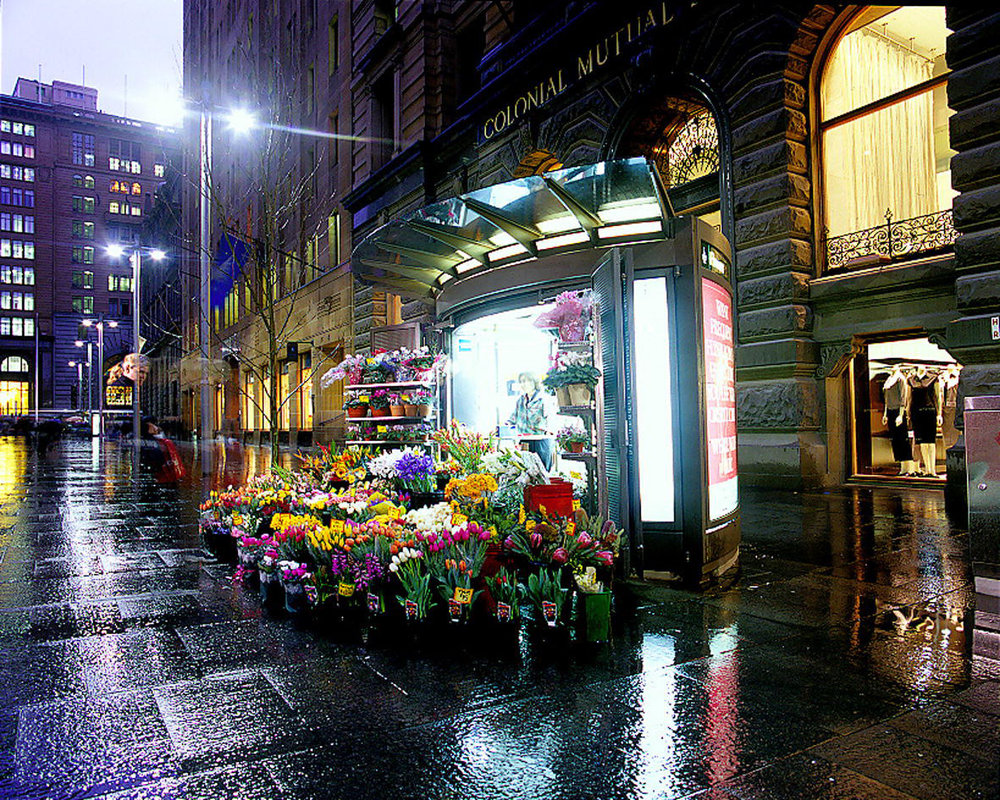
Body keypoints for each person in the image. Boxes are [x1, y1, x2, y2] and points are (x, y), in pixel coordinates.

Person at [507, 371, 553, 471]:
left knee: (542, 471)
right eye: (522, 381)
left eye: (527, 381)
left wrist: (550, 431)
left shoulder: (543, 398)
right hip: (524, 440)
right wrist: (505, 425)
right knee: (526, 472)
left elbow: (551, 418)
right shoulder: (520, 400)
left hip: (541, 441)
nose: (524, 384)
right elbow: (512, 418)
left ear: (534, 382)